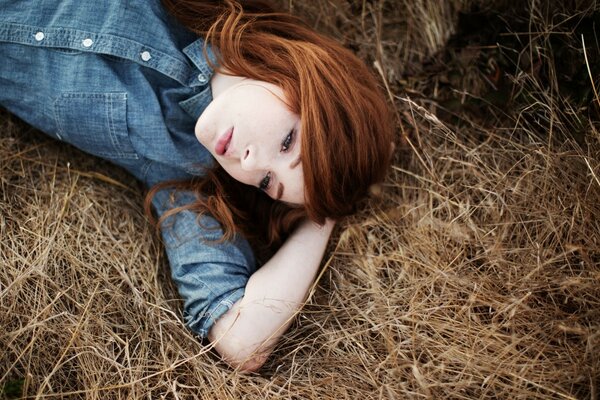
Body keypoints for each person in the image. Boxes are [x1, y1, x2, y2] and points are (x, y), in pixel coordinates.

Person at [0, 0, 394, 371]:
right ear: (302, 76)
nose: (251, 163)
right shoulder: (204, 12)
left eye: (267, 183)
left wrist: (322, 216)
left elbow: (244, 343)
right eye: (288, 142)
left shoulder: (187, 177)